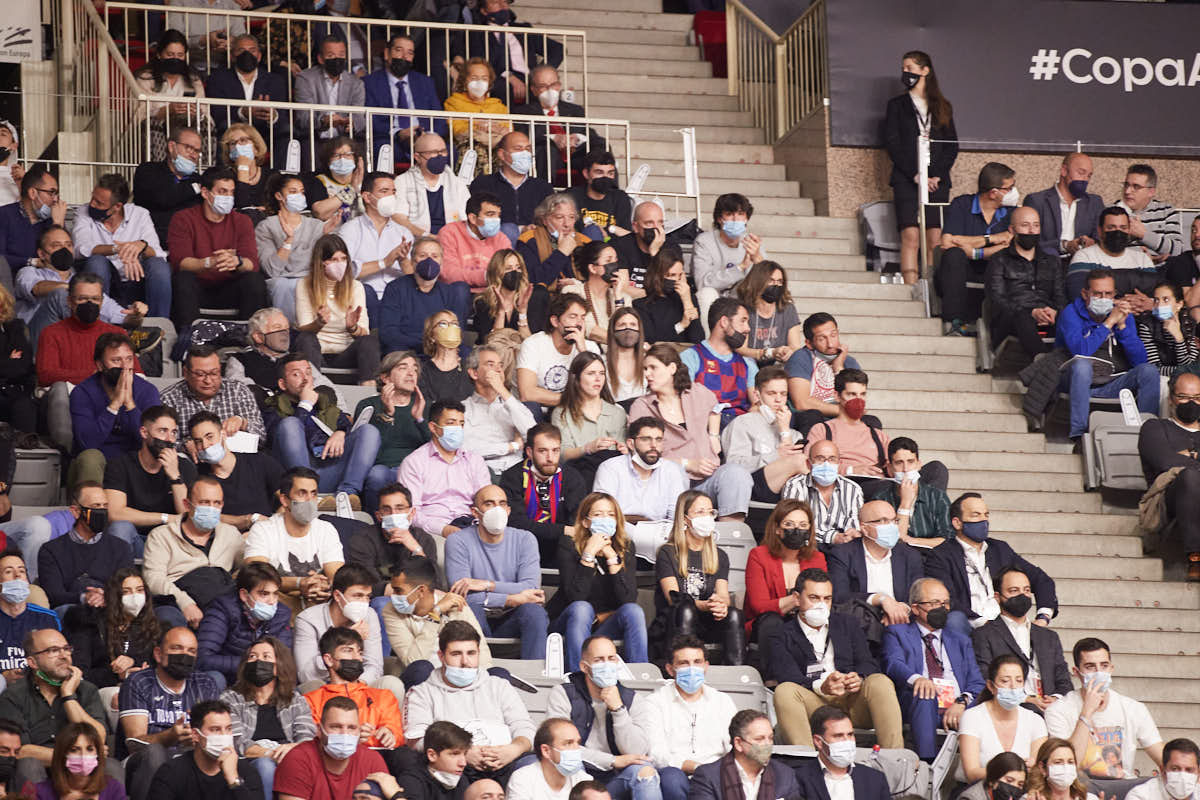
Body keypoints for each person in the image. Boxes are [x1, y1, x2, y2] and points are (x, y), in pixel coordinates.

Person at [767, 567, 902, 747]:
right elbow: (788, 675)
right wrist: (822, 687)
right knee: (785, 691)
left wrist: (859, 678)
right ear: (797, 599)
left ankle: (895, 759)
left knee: (879, 680)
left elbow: (868, 663)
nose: (821, 605)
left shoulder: (848, 624)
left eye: (827, 599)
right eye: (814, 598)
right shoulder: (781, 634)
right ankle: (806, 764)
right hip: (815, 703)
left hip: (852, 700)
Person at [544, 635, 677, 800]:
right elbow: (560, 748)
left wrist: (618, 709)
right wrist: (612, 760)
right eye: (599, 660)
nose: (607, 665)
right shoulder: (564, 694)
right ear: (585, 667)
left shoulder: (632, 699)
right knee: (571, 766)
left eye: (611, 659)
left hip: (615, 779)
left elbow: (637, 752)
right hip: (577, 774)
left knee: (645, 771)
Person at [403, 621, 536, 784]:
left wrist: (513, 750)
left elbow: (524, 726)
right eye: (456, 654)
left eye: (471, 653)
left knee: (533, 764)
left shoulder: (499, 686)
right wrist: (462, 753)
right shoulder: (422, 692)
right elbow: (416, 739)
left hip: (505, 761)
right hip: (454, 767)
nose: (465, 661)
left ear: (479, 653)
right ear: (441, 656)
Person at [630, 345, 753, 521]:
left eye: (653, 368)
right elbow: (638, 454)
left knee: (736, 473)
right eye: (645, 369)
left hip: (706, 479)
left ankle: (728, 538)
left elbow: (716, 408)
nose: (647, 374)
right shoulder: (642, 406)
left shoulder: (696, 392)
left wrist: (714, 434)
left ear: (672, 368)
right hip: (668, 480)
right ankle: (678, 538)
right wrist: (687, 463)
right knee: (675, 472)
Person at [924, 493, 1057, 639]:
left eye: (986, 515)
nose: (984, 520)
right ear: (957, 523)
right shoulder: (940, 555)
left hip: (1005, 624)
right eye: (976, 515)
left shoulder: (1000, 549)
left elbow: (1041, 579)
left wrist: (1043, 617)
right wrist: (983, 624)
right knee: (954, 619)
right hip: (969, 625)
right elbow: (947, 599)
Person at [880, 577, 983, 760]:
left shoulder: (961, 640)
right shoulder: (897, 633)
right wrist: (917, 679)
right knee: (925, 694)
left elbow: (977, 682)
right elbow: (893, 663)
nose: (941, 608)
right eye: (934, 603)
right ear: (915, 608)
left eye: (945, 603)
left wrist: (961, 703)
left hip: (958, 708)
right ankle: (927, 764)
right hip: (919, 704)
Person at [804, 368, 949, 496]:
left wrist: (908, 467)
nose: (858, 400)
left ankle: (927, 509)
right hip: (846, 484)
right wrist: (851, 469)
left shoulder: (878, 435)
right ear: (837, 396)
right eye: (852, 394)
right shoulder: (822, 429)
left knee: (937, 469)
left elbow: (893, 465)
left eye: (862, 394)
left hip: (882, 482)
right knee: (888, 487)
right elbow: (807, 466)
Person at [444, 484, 548, 659]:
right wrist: (511, 599)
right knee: (466, 607)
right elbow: (461, 596)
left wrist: (486, 585)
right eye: (489, 504)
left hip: (512, 618)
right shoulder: (457, 541)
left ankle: (535, 674)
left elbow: (531, 588)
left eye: (501, 504)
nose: (496, 510)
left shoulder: (525, 539)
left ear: (508, 510)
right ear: (475, 512)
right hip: (475, 615)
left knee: (534, 612)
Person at [117, 626, 221, 800]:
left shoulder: (205, 684)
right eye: (176, 648)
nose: (184, 656)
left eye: (191, 651)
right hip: (143, 763)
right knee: (154, 752)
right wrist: (171, 736)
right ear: (158, 654)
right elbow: (135, 743)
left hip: (192, 759)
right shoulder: (139, 682)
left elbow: (215, 732)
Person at [1055, 270, 1159, 441]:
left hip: (1110, 381)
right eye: (1097, 293)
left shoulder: (1121, 313)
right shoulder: (1071, 313)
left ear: (1114, 294)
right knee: (1082, 366)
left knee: (1148, 371)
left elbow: (1140, 361)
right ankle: (1079, 435)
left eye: (1108, 293)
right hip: (1074, 380)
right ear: (1085, 294)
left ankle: (1147, 434)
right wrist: (1109, 323)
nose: (1103, 298)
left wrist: (1123, 326)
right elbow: (1081, 352)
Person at [0, 627, 108, 789]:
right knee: (29, 764)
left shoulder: (86, 690)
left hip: (81, 772)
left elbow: (98, 739)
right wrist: (74, 759)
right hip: (37, 769)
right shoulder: (14, 696)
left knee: (112, 766)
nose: (64, 656)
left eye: (66, 649)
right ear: (32, 662)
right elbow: (20, 751)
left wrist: (68, 696)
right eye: (53, 651)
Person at [547, 493, 646, 669]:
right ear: (586, 521)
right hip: (569, 621)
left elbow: (627, 599)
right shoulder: (569, 544)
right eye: (598, 515)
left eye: (610, 515)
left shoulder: (626, 547)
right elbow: (575, 596)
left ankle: (639, 675)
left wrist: (612, 558)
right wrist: (588, 555)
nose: (605, 519)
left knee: (633, 611)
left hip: (603, 627)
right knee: (582, 608)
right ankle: (577, 676)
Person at [264, 354, 382, 502]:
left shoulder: (325, 404)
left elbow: (345, 423)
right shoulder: (272, 408)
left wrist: (340, 433)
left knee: (369, 431)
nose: (305, 378)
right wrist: (305, 405)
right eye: (296, 374)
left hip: (329, 468)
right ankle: (307, 493)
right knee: (290, 424)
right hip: (294, 477)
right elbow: (277, 439)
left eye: (308, 373)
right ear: (282, 384)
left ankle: (346, 495)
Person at [884, 50, 958, 284]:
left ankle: (931, 287)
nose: (906, 72)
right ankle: (910, 287)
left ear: (925, 71)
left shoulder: (943, 106)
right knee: (910, 235)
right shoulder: (896, 106)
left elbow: (951, 146)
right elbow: (893, 144)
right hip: (907, 179)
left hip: (936, 181)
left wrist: (936, 175)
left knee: (934, 237)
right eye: (903, 68)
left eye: (910, 67)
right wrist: (915, 174)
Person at [1044, 637, 1163, 780]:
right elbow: (1068, 765)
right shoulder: (1058, 710)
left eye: (1104, 665)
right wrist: (1086, 712)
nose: (1099, 672)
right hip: (1079, 790)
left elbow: (1162, 756)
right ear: (1076, 672)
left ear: (1111, 668)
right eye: (1090, 667)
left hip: (1123, 789)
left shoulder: (1133, 708)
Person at [166, 166, 269, 328]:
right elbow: (181, 262)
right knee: (183, 279)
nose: (229, 197)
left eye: (231, 192)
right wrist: (209, 262)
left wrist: (237, 262)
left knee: (254, 280)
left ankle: (248, 338)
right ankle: (189, 340)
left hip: (230, 287)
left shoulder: (242, 221)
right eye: (222, 191)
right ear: (206, 193)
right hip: (197, 287)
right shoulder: (183, 218)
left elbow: (252, 264)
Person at [652, 491, 744, 665]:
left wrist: (721, 604)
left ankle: (735, 670)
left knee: (733, 614)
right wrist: (702, 605)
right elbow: (673, 597)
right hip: (675, 621)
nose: (707, 517)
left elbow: (723, 594)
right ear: (685, 518)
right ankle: (682, 665)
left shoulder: (719, 555)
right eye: (700, 512)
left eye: (710, 512)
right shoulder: (668, 552)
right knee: (686, 610)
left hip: (707, 621)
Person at [19, 226, 147, 350]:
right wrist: (76, 290)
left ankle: (118, 338)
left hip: (74, 344)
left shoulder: (84, 281)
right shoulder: (29, 272)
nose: (64, 250)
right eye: (56, 245)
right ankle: (115, 339)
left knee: (91, 300)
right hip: (38, 341)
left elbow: (118, 315)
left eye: (68, 245)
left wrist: (136, 314)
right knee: (61, 294)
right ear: (42, 253)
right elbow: (36, 288)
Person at [143, 476, 244, 630]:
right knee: (167, 617)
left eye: (216, 503)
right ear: (187, 504)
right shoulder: (161, 535)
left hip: (221, 604)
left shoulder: (231, 534)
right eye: (204, 502)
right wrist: (185, 603)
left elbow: (246, 569)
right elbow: (153, 579)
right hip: (177, 602)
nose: (211, 508)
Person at [220, 637, 315, 800]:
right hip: (249, 763)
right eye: (253, 657)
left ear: (279, 666)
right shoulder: (230, 698)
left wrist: (292, 750)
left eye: (266, 657)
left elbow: (307, 739)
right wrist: (272, 753)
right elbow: (236, 742)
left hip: (290, 759)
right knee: (265, 765)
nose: (258, 661)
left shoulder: (295, 699)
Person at [743, 500, 826, 677]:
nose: (796, 530)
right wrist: (797, 600)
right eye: (789, 524)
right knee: (772, 621)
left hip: (804, 619)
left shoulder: (817, 558)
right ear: (777, 529)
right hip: (766, 624)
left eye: (803, 525)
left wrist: (801, 602)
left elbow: (822, 598)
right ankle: (772, 679)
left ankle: (818, 674)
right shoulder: (759, 555)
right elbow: (759, 606)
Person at [970, 566, 1073, 710]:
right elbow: (985, 677)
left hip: (1052, 710)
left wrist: (1055, 699)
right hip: (1010, 708)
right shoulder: (984, 634)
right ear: (997, 597)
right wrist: (1026, 699)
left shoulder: (1049, 637)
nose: (1022, 595)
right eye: (1014, 591)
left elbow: (1064, 680)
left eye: (1026, 590)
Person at [243, 467, 345, 608]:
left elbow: (337, 576)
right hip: (275, 605)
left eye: (314, 494)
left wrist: (321, 586)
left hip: (317, 603)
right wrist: (299, 583)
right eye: (302, 493)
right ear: (285, 500)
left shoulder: (326, 529)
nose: (310, 500)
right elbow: (256, 577)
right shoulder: (263, 530)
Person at [103, 405, 197, 559]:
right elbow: (115, 513)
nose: (169, 439)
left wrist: (175, 476)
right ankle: (124, 581)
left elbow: (187, 516)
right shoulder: (120, 465)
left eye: (173, 432)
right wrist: (166, 518)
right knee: (121, 527)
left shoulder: (184, 467)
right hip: (135, 540)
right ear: (144, 433)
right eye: (162, 431)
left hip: (171, 544)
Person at [68, 332, 161, 487]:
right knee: (90, 457)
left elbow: (152, 441)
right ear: (100, 365)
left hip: (135, 461)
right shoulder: (82, 392)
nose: (125, 367)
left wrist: (130, 405)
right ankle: (92, 508)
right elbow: (87, 443)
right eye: (116, 360)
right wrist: (114, 405)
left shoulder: (147, 391)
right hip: (98, 462)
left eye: (129, 359)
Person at [74, 172, 171, 320]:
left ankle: (158, 327)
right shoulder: (83, 212)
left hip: (136, 278)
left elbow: (157, 252)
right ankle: (96, 324)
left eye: (99, 203)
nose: (92, 204)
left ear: (117, 206)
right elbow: (80, 249)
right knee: (97, 261)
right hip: (105, 279)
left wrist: (140, 246)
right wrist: (119, 249)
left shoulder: (140, 214)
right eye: (93, 197)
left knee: (159, 266)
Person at [936, 162, 1019, 336]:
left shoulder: (1012, 213)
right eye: (1009, 188)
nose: (1014, 192)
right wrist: (993, 239)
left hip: (995, 272)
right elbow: (947, 242)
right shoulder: (962, 204)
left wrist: (975, 251)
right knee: (953, 254)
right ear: (993, 193)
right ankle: (953, 322)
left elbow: (1010, 245)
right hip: (960, 273)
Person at [593, 417, 690, 563]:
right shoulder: (610, 468)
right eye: (646, 439)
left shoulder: (672, 471)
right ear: (631, 443)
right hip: (618, 538)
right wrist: (638, 529)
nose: (653, 445)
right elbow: (603, 516)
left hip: (660, 540)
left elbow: (675, 517)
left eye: (658, 440)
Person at [64, 567, 158, 716]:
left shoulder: (153, 626)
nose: (135, 597)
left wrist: (137, 671)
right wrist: (118, 675)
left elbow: (159, 668)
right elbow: (79, 674)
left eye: (139, 590)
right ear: (114, 595)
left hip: (146, 689)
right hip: (102, 690)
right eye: (126, 591)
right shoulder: (91, 624)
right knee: (120, 696)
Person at [641, 635, 737, 778]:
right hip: (677, 774)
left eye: (697, 662)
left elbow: (734, 746)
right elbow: (657, 753)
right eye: (684, 663)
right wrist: (694, 767)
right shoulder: (654, 703)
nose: (692, 669)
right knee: (671, 777)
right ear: (670, 669)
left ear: (706, 666)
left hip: (717, 775)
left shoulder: (722, 701)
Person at [380, 556, 490, 679]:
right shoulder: (391, 611)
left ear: (421, 590)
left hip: (457, 676)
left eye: (398, 591)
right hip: (419, 681)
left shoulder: (455, 604)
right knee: (422, 668)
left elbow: (482, 652)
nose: (393, 596)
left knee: (498, 673)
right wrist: (435, 614)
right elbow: (413, 662)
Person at [294, 234, 381, 386]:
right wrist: (319, 323)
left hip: (346, 353)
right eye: (334, 260)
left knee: (369, 341)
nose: (340, 264)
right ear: (321, 262)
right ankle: (313, 391)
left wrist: (352, 327)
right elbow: (304, 327)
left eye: (343, 259)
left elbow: (364, 331)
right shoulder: (304, 285)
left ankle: (369, 393)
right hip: (317, 352)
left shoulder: (356, 287)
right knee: (305, 338)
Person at [304, 627, 405, 756]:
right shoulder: (311, 701)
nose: (357, 658)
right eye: (348, 651)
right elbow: (311, 742)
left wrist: (390, 735)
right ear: (328, 659)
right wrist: (353, 737)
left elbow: (398, 736)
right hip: (330, 761)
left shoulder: (383, 696)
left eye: (360, 652)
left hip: (380, 759)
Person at [36, 481, 134, 612]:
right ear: (76, 511)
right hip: (71, 612)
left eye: (105, 506)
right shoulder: (51, 550)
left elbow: (127, 588)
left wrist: (105, 597)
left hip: (110, 610)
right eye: (96, 506)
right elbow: (54, 595)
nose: (102, 511)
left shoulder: (121, 548)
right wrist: (84, 598)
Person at [1138, 372, 1200, 578]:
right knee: (1189, 477)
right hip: (1167, 500)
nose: (1191, 403)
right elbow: (1165, 462)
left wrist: (1187, 455)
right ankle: (1195, 559)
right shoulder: (1155, 428)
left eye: (1197, 398)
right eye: (1184, 396)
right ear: (1171, 398)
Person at [826, 499, 924, 627]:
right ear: (864, 528)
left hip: (901, 622)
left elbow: (918, 595)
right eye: (883, 521)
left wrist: (901, 610)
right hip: (860, 622)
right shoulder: (842, 554)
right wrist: (881, 599)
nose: (891, 526)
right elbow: (840, 595)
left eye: (894, 520)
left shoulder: (910, 555)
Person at [499, 422, 587, 565]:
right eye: (542, 451)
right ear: (529, 452)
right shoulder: (512, 477)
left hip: (560, 547)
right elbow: (515, 523)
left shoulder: (572, 478)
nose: (550, 458)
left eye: (555, 450)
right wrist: (563, 529)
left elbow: (576, 523)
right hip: (522, 544)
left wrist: (565, 531)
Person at [398, 400, 491, 536]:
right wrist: (443, 529)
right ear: (433, 427)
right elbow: (411, 512)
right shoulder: (414, 462)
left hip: (472, 527)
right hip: (433, 532)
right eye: (451, 423)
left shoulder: (475, 461)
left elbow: (486, 501)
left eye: (461, 424)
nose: (458, 429)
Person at [293, 564, 394, 689]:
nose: (364, 602)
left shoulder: (369, 615)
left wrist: (356, 686)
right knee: (312, 686)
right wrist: (345, 639)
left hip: (359, 685)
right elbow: (306, 675)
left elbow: (374, 665)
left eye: (367, 596)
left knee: (391, 684)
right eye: (357, 596)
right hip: (323, 687)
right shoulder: (308, 620)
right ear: (337, 595)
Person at [985, 206, 1066, 359]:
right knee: (1021, 316)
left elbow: (1060, 296)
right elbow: (997, 300)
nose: (1031, 231)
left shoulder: (1051, 262)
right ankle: (1043, 361)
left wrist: (1054, 311)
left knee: (1070, 314)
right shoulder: (999, 260)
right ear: (1012, 230)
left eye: (1036, 225)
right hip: (1011, 321)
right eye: (1025, 225)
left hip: (1048, 318)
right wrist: (1032, 312)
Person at [196, 563, 292, 690]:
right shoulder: (222, 609)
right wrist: (250, 664)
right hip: (228, 678)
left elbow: (283, 661)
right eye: (264, 594)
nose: (272, 601)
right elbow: (203, 658)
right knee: (214, 678)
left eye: (275, 594)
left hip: (264, 678)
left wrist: (261, 667)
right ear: (244, 595)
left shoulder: (281, 615)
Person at [224, 308, 349, 405]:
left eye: (287, 329)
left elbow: (328, 387)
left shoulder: (298, 361)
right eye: (278, 328)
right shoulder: (239, 360)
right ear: (258, 336)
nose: (284, 334)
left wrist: (345, 413)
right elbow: (238, 389)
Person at [273, 696, 389, 800]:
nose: (344, 733)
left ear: (359, 730)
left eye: (351, 728)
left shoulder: (372, 761)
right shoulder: (297, 759)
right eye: (336, 727)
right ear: (319, 730)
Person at [721, 366, 808, 503]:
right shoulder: (742, 423)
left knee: (807, 461)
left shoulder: (794, 434)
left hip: (783, 487)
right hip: (751, 484)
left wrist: (785, 430)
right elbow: (733, 465)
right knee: (799, 460)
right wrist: (775, 455)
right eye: (772, 393)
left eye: (783, 394)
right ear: (757, 395)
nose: (778, 400)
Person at [147, 698, 263, 800]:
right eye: (215, 729)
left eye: (228, 729)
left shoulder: (246, 771)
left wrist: (233, 779)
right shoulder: (171, 772)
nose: (224, 735)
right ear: (195, 735)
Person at [35, 274, 139, 388]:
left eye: (95, 299)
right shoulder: (51, 333)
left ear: (102, 302)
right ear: (69, 301)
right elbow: (46, 375)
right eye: (82, 299)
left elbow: (137, 374)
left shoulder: (117, 333)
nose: (89, 304)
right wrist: (95, 375)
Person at [956, 654, 1048, 783]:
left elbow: (1039, 771)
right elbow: (972, 773)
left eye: (1019, 680)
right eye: (1005, 681)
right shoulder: (972, 717)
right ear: (991, 686)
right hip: (979, 791)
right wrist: (1012, 771)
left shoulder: (1035, 721)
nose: (1013, 686)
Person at [186, 411, 284, 531]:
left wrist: (272, 527)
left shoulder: (259, 461)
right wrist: (249, 520)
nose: (205, 445)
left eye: (210, 437)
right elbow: (198, 515)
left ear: (223, 434)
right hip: (225, 540)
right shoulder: (199, 477)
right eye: (198, 441)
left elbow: (289, 498)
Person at [379, 238, 471, 357]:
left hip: (441, 349)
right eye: (423, 255)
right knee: (394, 350)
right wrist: (427, 343)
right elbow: (388, 333)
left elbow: (456, 332)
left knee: (466, 353)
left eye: (435, 256)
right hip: (407, 349)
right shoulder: (395, 289)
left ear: (441, 262)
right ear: (412, 261)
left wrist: (438, 344)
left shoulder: (450, 292)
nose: (429, 260)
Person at [363, 34, 445, 164]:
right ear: (386, 54)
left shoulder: (425, 82)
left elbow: (439, 119)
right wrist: (398, 133)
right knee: (384, 150)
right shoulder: (370, 82)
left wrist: (426, 135)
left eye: (410, 53)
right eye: (399, 50)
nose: (404, 57)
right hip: (390, 139)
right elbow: (370, 121)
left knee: (449, 151)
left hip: (423, 137)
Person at [337, 172, 415, 309]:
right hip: (363, 298)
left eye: (393, 192)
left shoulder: (404, 233)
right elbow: (342, 272)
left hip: (397, 299)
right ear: (367, 197)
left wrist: (403, 261)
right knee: (366, 291)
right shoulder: (350, 230)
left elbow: (415, 279)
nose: (391, 196)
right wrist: (384, 262)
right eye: (384, 191)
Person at [161, 344, 266, 445]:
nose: (208, 380)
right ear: (186, 373)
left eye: (214, 373)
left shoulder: (238, 391)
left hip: (236, 458)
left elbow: (261, 438)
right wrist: (184, 446)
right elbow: (162, 443)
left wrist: (243, 422)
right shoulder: (169, 400)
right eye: (200, 374)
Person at [510, 64, 597, 185]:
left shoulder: (575, 110)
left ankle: (610, 193)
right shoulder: (522, 111)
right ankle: (546, 194)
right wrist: (553, 138)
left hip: (575, 155)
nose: (549, 90)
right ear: (534, 90)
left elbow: (588, 132)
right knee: (548, 149)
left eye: (553, 85)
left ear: (559, 86)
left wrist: (577, 137)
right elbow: (524, 136)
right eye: (543, 86)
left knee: (600, 144)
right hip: (547, 156)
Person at [132, 29, 212, 162]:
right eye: (170, 54)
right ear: (159, 54)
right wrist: (164, 112)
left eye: (180, 55)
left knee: (206, 126)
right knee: (151, 124)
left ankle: (204, 170)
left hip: (187, 130)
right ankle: (158, 170)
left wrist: (196, 112)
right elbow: (137, 117)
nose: (175, 59)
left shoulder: (194, 80)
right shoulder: (145, 78)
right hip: (158, 130)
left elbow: (207, 114)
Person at [254, 174, 325, 322]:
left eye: (301, 192)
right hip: (281, 281)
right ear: (279, 196)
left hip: (309, 278)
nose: (299, 196)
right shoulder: (266, 226)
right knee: (283, 285)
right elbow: (272, 270)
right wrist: (288, 241)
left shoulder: (316, 225)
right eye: (293, 192)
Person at [347, 483, 438, 597]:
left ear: (412, 513)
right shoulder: (362, 540)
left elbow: (433, 583)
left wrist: (417, 551)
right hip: (380, 599)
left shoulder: (424, 539)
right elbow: (367, 585)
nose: (394, 514)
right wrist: (408, 592)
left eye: (400, 508)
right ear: (378, 516)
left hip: (418, 599)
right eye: (387, 509)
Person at [689, 709, 801, 800]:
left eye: (771, 738)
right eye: (759, 739)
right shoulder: (709, 776)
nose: (767, 744)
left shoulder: (786, 775)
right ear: (738, 743)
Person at [205, 33, 289, 152]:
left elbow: (283, 116)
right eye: (241, 50)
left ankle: (280, 171)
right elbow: (217, 114)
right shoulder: (218, 79)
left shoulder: (276, 81)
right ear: (232, 56)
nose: (247, 54)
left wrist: (272, 116)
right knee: (225, 127)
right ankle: (224, 170)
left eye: (252, 50)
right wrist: (243, 112)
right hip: (233, 132)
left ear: (259, 56)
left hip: (265, 133)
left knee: (285, 130)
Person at [680, 297, 757, 426]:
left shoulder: (747, 362)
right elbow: (684, 401)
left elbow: (756, 403)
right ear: (724, 322)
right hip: (704, 426)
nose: (748, 328)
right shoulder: (691, 357)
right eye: (743, 321)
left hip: (740, 429)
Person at [791, 705, 891, 800]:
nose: (847, 741)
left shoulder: (875, 778)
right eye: (838, 736)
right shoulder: (798, 779)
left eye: (850, 734)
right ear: (819, 741)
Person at [518, 293, 600, 409]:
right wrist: (573, 399)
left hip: (570, 410)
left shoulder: (589, 348)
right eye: (573, 317)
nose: (579, 323)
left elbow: (596, 388)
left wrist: (583, 353)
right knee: (531, 407)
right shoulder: (533, 344)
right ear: (555, 321)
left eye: (582, 317)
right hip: (539, 411)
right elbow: (527, 394)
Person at [784, 313, 862, 434]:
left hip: (841, 419)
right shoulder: (801, 357)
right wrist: (843, 410)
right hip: (810, 418)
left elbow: (855, 399)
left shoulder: (848, 361)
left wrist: (839, 368)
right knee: (812, 416)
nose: (830, 344)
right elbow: (802, 403)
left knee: (871, 421)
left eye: (833, 335)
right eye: (822, 339)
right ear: (809, 343)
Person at [464, 344, 537, 473]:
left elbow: (535, 436)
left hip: (516, 473)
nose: (498, 370)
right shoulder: (463, 409)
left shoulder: (513, 405)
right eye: (490, 365)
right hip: (480, 472)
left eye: (501, 365)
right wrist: (512, 446)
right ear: (474, 373)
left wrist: (502, 390)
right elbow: (467, 451)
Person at [867, 437, 952, 547]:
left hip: (932, 558)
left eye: (910, 462)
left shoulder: (937, 496)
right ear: (889, 469)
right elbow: (892, 541)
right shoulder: (880, 499)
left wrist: (912, 541)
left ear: (919, 465)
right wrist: (905, 504)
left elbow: (948, 539)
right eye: (899, 463)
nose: (906, 469)